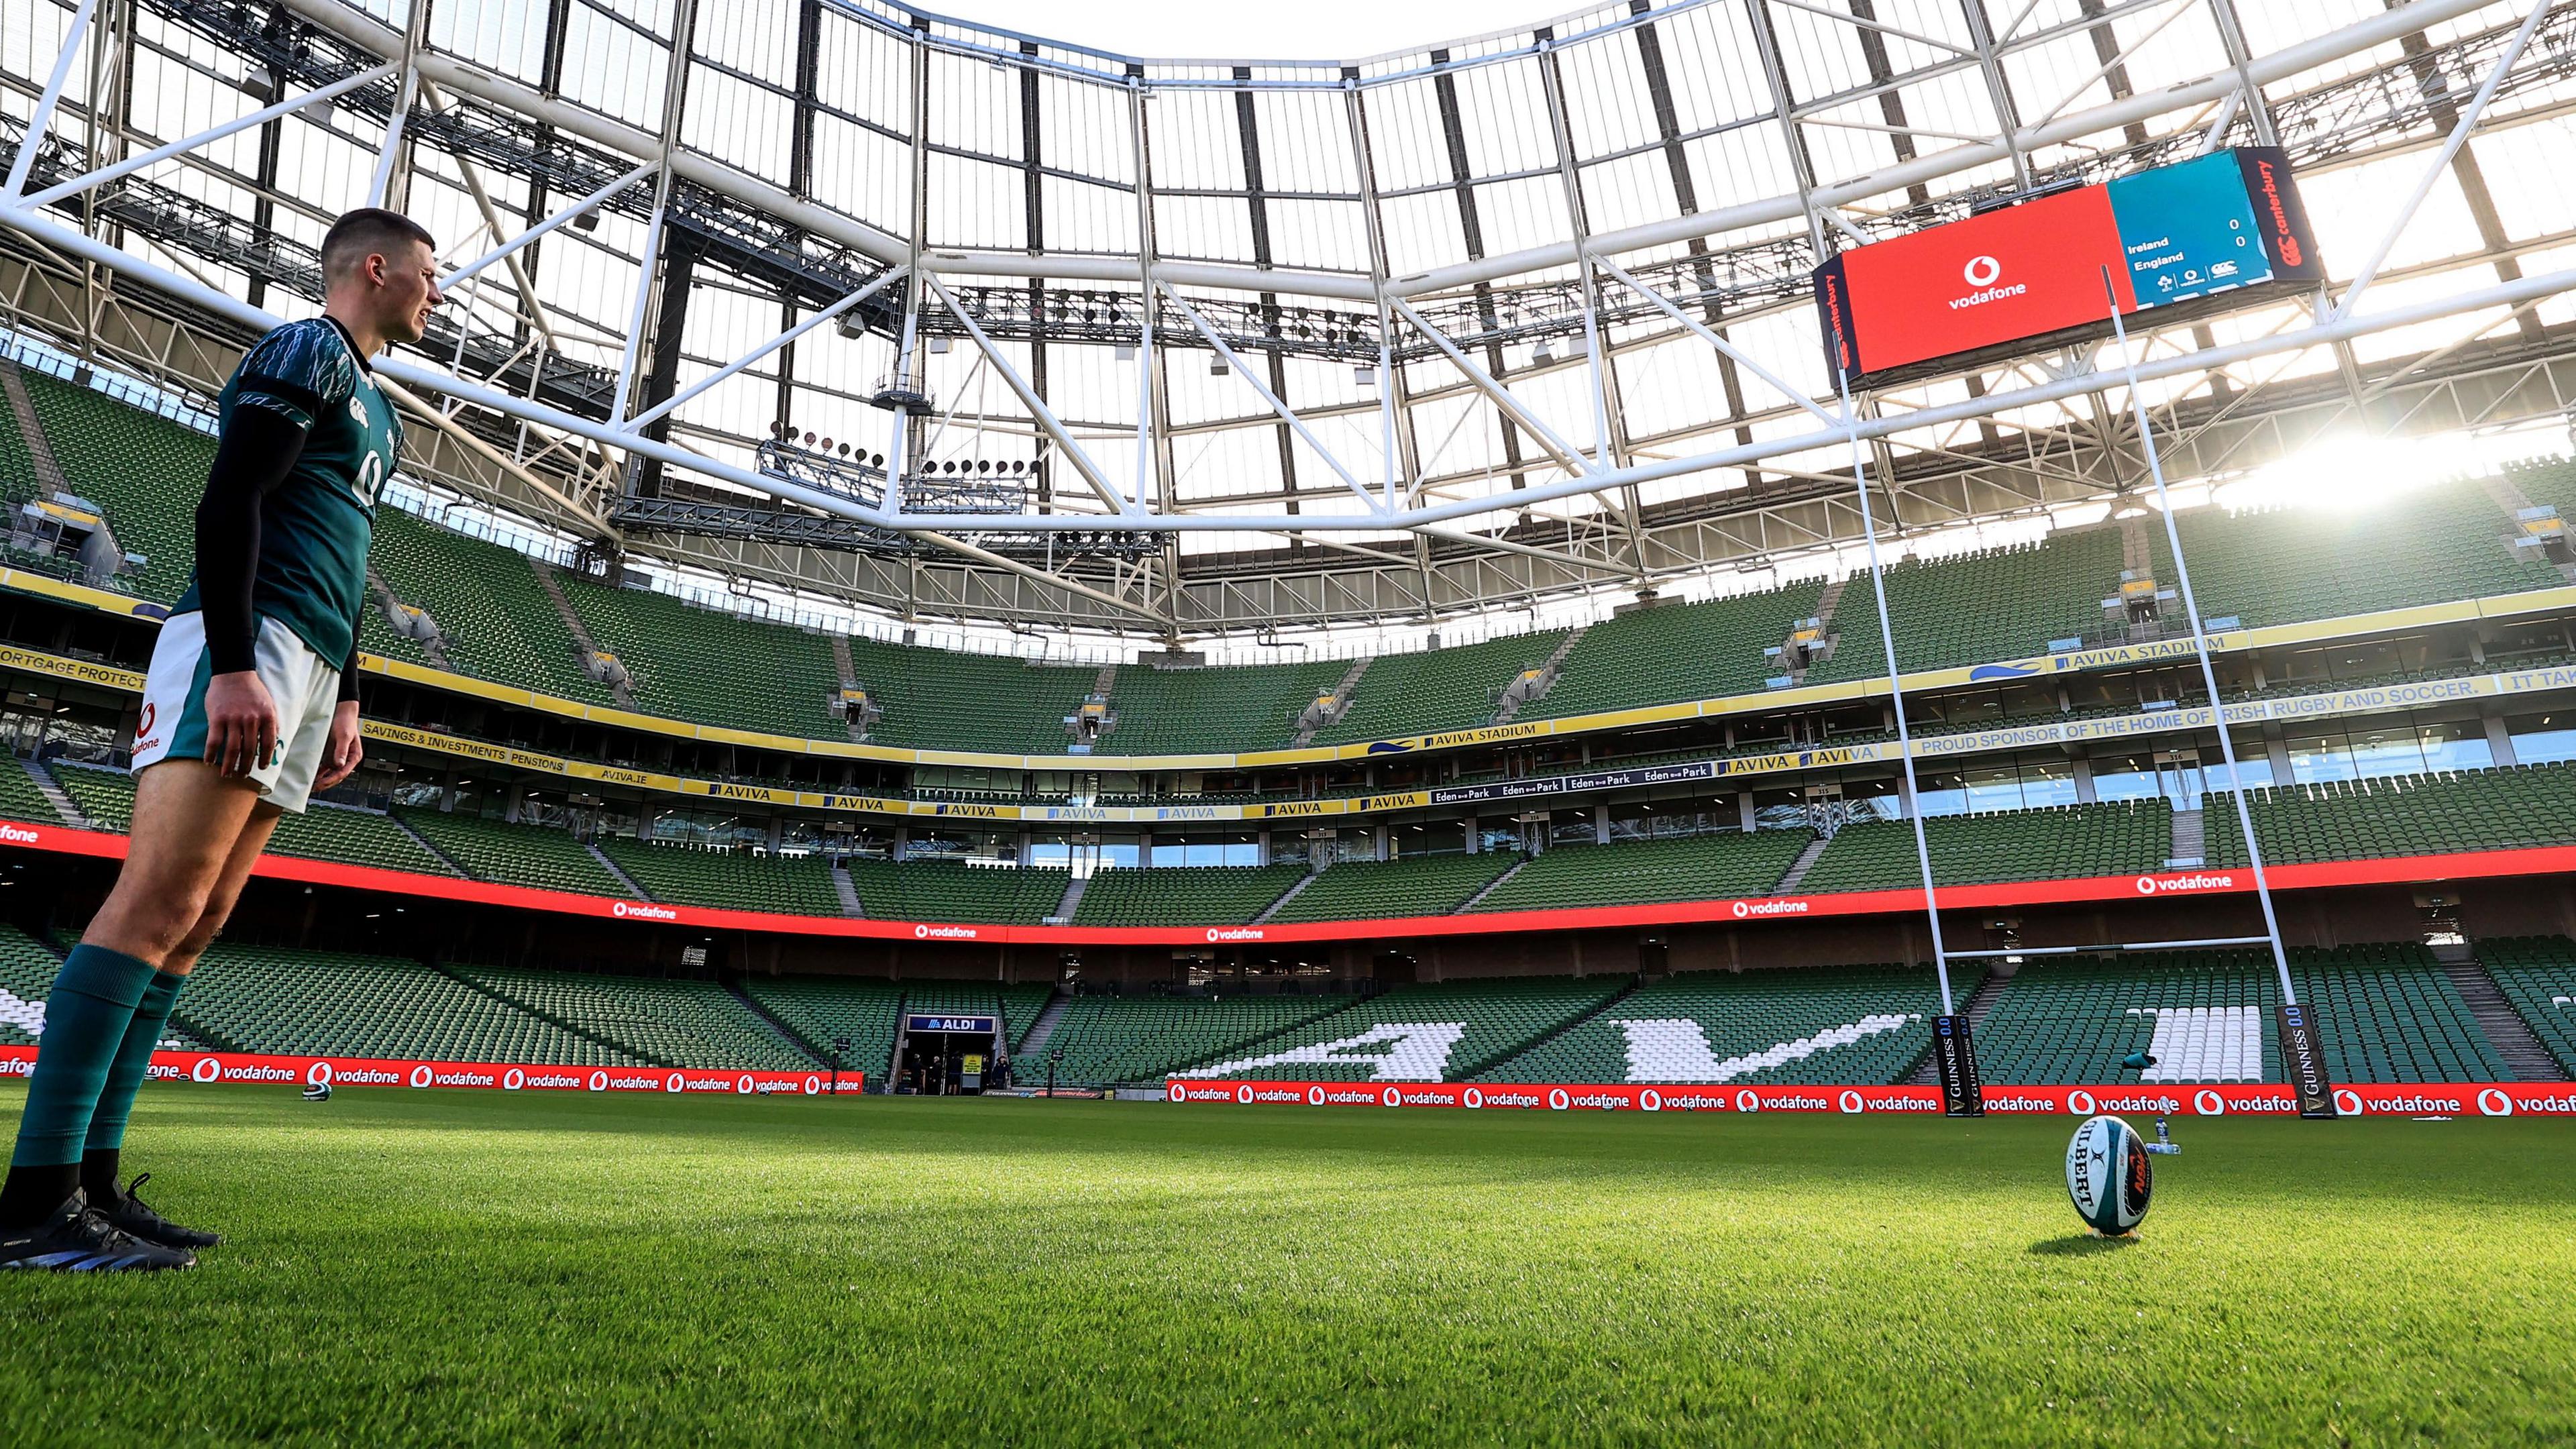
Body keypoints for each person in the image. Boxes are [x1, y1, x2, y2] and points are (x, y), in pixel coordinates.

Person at [0, 209, 439, 1272]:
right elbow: (232, 495)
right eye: (428, 274)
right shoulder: (306, 349)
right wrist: (238, 663)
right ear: (373, 270)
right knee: (155, 899)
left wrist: (348, 693)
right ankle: (31, 1202)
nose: (437, 293)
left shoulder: (374, 403)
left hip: (311, 658)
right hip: (249, 646)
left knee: (195, 925)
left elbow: (336, 552)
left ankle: (94, 1184)